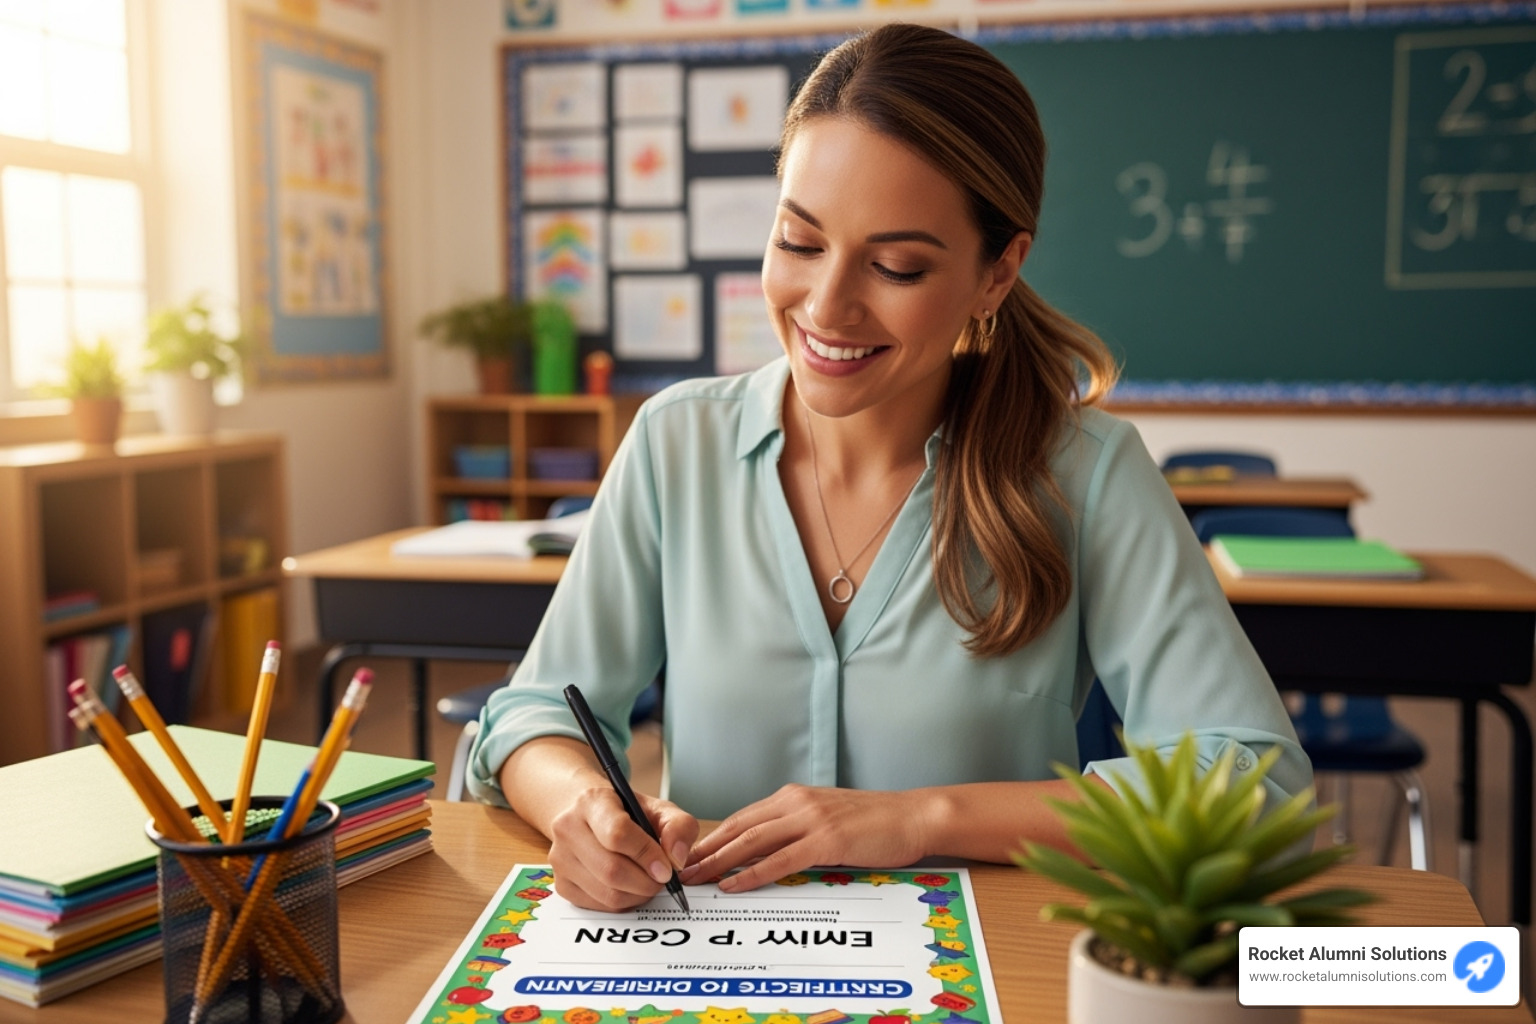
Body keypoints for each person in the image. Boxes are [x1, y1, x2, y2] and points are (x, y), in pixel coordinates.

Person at [467, 23, 1310, 911]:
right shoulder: (676, 443)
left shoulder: (1084, 473)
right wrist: (583, 806)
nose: (827, 307)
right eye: (799, 242)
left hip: (990, 964)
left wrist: (922, 818)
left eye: (897, 266)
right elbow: (531, 716)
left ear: (996, 274)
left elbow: (1255, 782)